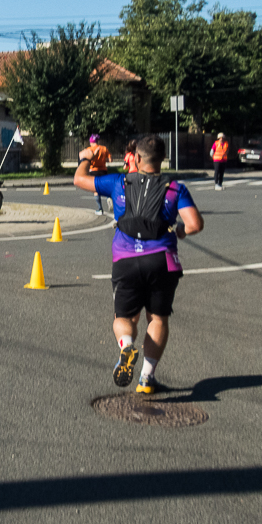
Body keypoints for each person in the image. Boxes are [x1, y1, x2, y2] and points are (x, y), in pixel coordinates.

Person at [74, 134, 204, 394]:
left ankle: (126, 346)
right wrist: (180, 230)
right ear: (163, 159)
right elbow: (195, 224)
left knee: (123, 316)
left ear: (137, 158)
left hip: (125, 259)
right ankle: (146, 378)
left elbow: (79, 179)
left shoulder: (118, 182)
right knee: (157, 318)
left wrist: (86, 158)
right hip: (162, 261)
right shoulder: (175, 187)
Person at [85, 134, 112, 214]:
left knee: (96, 190)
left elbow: (88, 159)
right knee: (105, 186)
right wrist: (103, 161)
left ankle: (100, 209)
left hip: (93, 170)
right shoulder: (104, 148)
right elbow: (110, 160)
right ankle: (109, 198)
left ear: (91, 142)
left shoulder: (89, 149)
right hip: (103, 170)